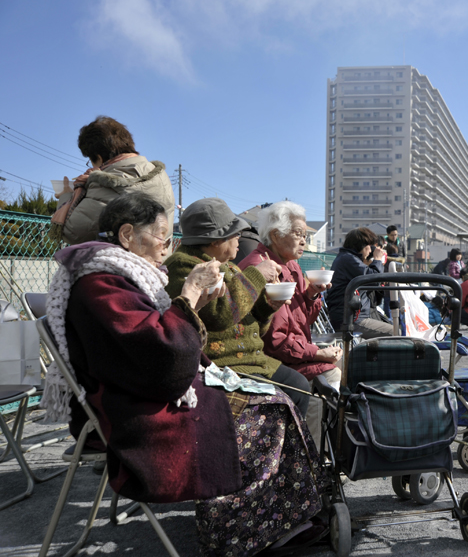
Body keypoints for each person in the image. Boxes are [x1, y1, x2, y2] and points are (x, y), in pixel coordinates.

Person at [40, 193, 327, 556]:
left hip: (153, 391)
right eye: (160, 234)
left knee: (280, 400)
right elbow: (165, 355)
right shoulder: (103, 284)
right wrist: (190, 295)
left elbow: (168, 345)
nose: (166, 243)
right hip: (136, 413)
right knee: (271, 411)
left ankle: (279, 517)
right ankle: (243, 532)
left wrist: (201, 304)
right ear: (127, 235)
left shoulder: (119, 276)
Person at [164, 198, 313, 416]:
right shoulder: (184, 266)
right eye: (235, 233)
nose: (239, 239)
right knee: (285, 398)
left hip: (253, 362)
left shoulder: (228, 267)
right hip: (222, 366)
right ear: (215, 239)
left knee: (299, 385)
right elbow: (220, 317)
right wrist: (257, 274)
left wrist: (267, 307)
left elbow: (254, 327)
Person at [238, 201, 342, 449]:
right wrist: (318, 352)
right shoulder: (259, 268)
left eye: (306, 235)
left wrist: (312, 295)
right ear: (276, 234)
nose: (304, 241)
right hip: (266, 359)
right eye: (299, 234)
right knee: (333, 371)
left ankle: (332, 445)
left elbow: (301, 322)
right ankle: (315, 459)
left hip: (289, 353)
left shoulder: (292, 266)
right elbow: (274, 341)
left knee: (345, 359)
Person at [51, 116, 176, 245]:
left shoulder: (105, 183)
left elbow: (73, 233)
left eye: (91, 161)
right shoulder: (160, 175)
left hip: (120, 264)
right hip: (157, 262)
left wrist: (66, 196)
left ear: (99, 157)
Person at [326, 227, 392, 338]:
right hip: (351, 320)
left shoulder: (346, 258)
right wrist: (377, 260)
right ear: (361, 245)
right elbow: (374, 280)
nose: (370, 250)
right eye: (369, 247)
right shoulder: (348, 259)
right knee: (397, 333)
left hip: (353, 317)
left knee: (393, 326)